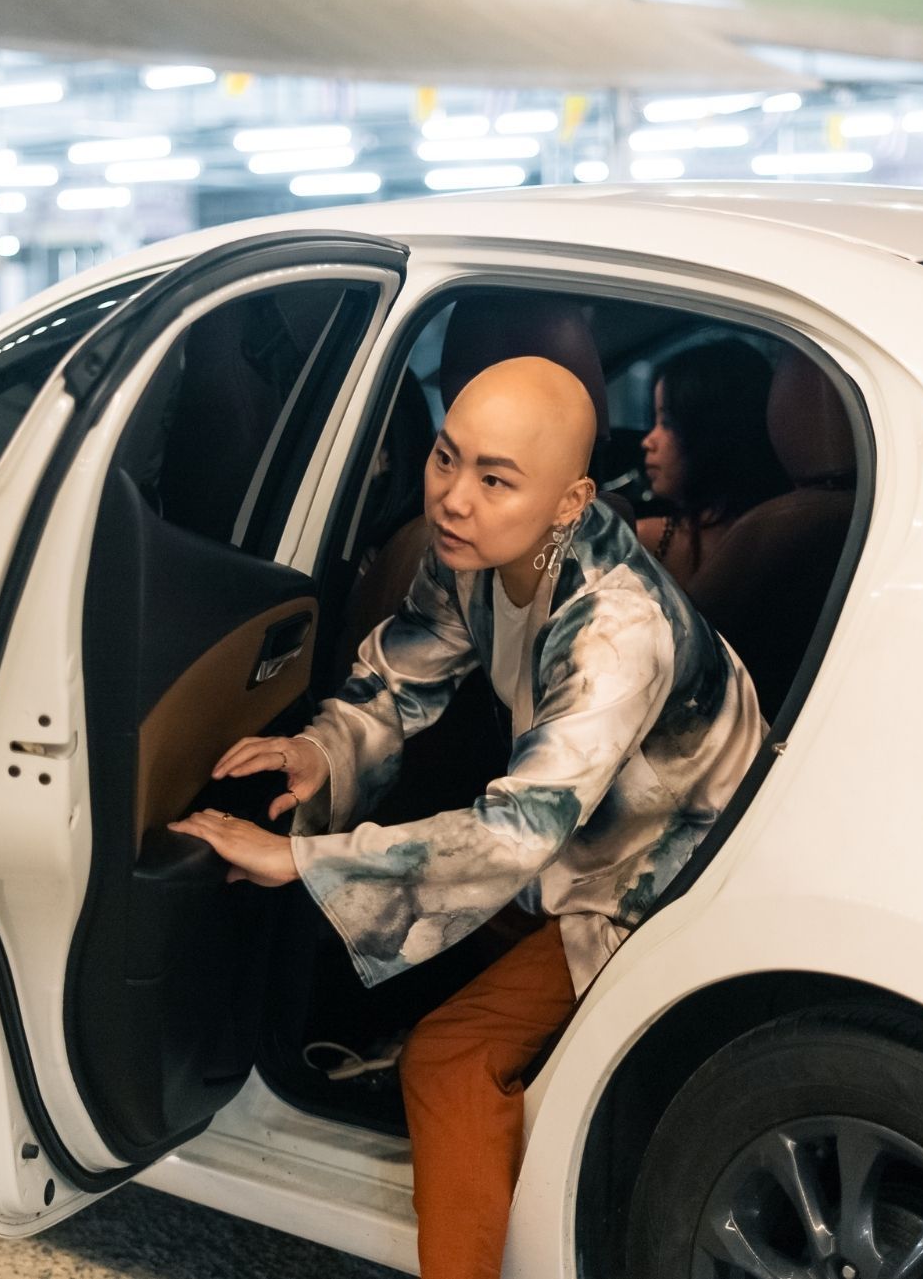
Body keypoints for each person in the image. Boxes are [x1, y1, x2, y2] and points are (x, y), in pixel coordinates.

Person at [170, 355, 764, 1279]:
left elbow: (520, 830)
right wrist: (318, 751)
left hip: (670, 875)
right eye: (446, 457)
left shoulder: (619, 631)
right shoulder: (476, 555)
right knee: (409, 961)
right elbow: (400, 678)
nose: (453, 498)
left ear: (569, 503)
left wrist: (304, 860)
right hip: (581, 839)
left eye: (495, 479)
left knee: (448, 1058)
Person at [636, 338, 785, 588]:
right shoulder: (790, 531)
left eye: (668, 422)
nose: (647, 441)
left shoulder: (643, 539)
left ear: (711, 433)